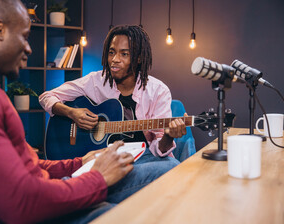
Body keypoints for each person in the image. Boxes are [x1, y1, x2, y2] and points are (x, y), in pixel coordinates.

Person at [0, 0, 170, 223]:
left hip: (45, 190)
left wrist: (78, 163)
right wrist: (98, 178)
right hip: (40, 206)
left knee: (166, 168)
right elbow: (22, 203)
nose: (28, 48)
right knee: (169, 171)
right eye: (24, 36)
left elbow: (27, 166)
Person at [39, 25, 187, 166]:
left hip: (143, 158)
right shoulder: (96, 81)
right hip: (101, 159)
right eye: (111, 52)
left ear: (139, 58)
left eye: (124, 54)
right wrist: (72, 113)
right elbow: (46, 97)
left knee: (171, 165)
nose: (115, 59)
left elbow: (159, 150)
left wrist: (168, 136)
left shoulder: (158, 91)